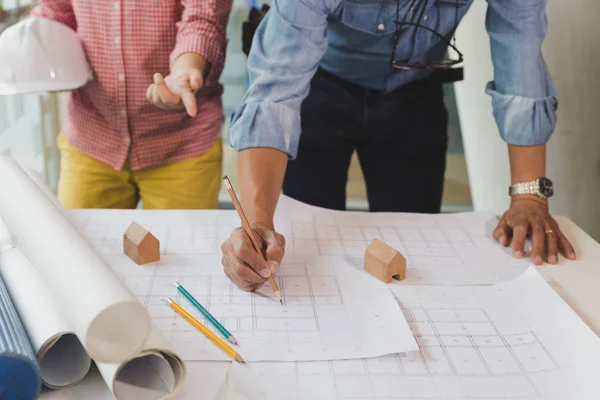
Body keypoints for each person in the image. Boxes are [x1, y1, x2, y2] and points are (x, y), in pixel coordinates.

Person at [220, 0, 576, 292]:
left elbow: (520, 50)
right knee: (305, 249)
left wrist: (529, 197)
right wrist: (257, 223)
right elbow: (275, 97)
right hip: (316, 87)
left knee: (417, 263)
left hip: (414, 92)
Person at [31, 0, 232, 210]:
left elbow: (202, 17)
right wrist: (36, 49)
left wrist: (185, 69)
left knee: (183, 242)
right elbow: (56, 13)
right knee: (76, 241)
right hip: (92, 137)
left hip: (182, 142)